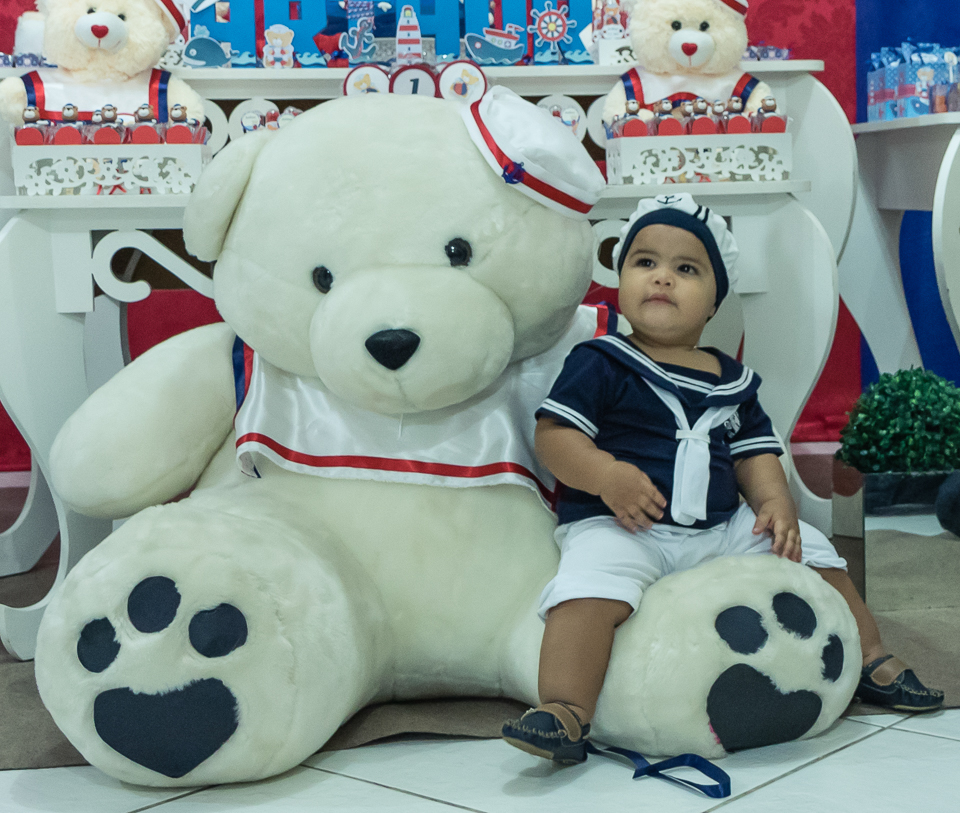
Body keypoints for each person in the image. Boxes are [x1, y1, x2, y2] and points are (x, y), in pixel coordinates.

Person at [501, 194, 944, 765]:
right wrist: (606, 475)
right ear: (620, 280)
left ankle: (872, 655)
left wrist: (775, 501)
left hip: (721, 526)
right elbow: (556, 438)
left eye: (687, 269)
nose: (662, 277)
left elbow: (755, 456)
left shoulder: (733, 379)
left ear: (713, 301)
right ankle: (566, 709)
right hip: (623, 524)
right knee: (587, 587)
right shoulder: (602, 361)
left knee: (814, 548)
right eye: (644, 262)